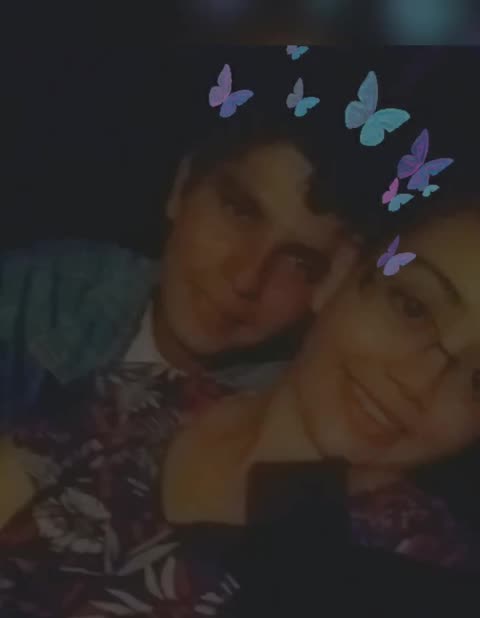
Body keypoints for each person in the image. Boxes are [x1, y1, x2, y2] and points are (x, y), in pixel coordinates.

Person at [0, 195, 479, 618]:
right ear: (340, 276)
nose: (421, 381)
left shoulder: (419, 578)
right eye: (412, 307)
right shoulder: (142, 403)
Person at [0, 115, 357, 433]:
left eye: (299, 263)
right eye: (240, 212)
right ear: (181, 188)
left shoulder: (284, 421)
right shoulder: (50, 288)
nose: (247, 278)